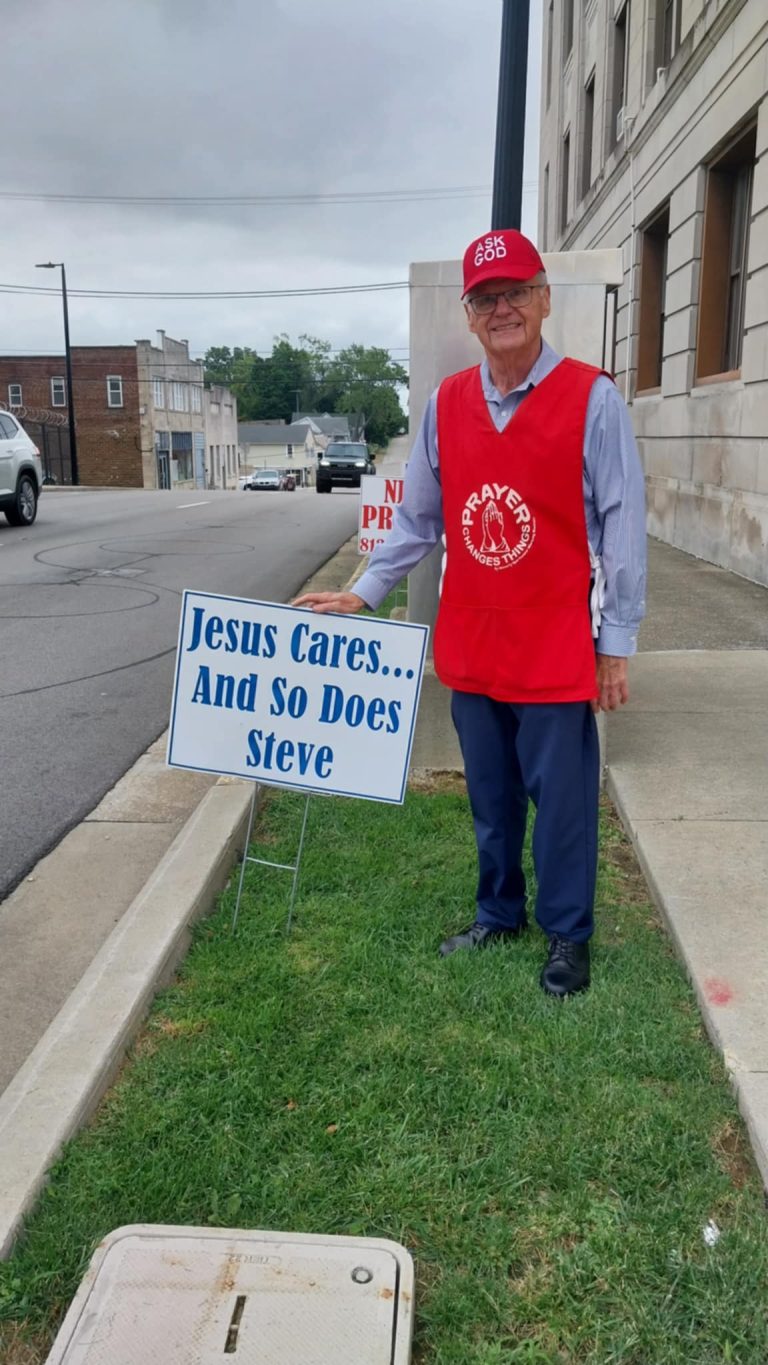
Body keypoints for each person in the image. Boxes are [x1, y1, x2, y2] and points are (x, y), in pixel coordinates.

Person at [294, 228, 647, 997]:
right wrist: (363, 590)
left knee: (562, 803)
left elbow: (622, 526)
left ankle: (567, 932)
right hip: (475, 638)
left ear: (544, 300)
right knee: (490, 796)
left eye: (516, 292)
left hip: (554, 643)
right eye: (486, 298)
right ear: (469, 315)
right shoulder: (446, 405)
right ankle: (498, 912)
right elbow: (417, 521)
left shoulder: (592, 399)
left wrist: (615, 641)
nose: (502, 309)